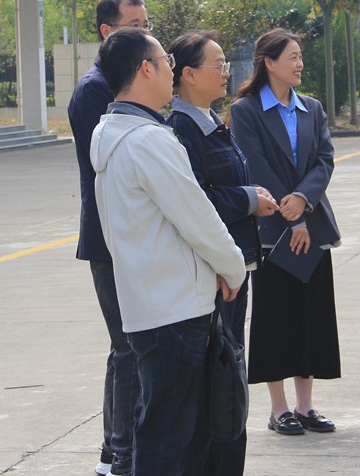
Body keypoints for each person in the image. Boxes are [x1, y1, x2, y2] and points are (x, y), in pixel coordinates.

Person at [90, 27, 247, 475]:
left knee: (164, 428)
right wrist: (233, 268)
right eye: (167, 63)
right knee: (172, 437)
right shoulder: (150, 140)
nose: (170, 72)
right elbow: (198, 218)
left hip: (149, 305)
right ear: (146, 69)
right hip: (176, 310)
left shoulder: (109, 133)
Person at [165, 31, 279, 475]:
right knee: (218, 382)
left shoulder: (210, 122)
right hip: (214, 275)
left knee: (229, 375)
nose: (226, 73)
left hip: (234, 269)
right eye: (218, 65)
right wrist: (248, 199)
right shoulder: (182, 130)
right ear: (189, 75)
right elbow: (195, 201)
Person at [229, 28, 341, 437]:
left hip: (312, 225)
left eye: (300, 56)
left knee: (311, 316)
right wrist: (291, 215)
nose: (299, 63)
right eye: (292, 57)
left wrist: (303, 201)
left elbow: (324, 160)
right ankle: (279, 409)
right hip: (272, 228)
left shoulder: (312, 108)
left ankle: (305, 406)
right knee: (275, 319)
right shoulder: (246, 110)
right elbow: (254, 165)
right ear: (269, 63)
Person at [67, 0, 149, 476]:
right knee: (127, 345)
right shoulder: (95, 90)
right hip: (110, 236)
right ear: (107, 31)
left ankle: (117, 447)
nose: (145, 32)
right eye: (135, 25)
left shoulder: (123, 80)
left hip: (130, 233)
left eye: (146, 24)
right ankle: (118, 452)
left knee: (134, 344)